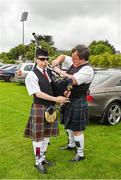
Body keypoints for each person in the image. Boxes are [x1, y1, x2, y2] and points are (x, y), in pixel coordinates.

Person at [24, 48, 69, 174]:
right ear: (36, 60)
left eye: (46, 59)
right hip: (39, 107)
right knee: (38, 138)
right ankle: (38, 161)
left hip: (51, 108)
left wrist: (62, 90)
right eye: (41, 59)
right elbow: (37, 94)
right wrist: (56, 98)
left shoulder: (48, 72)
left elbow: (53, 86)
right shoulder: (31, 75)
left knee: (47, 137)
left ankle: (42, 158)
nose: (44, 62)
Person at [52, 45, 94, 162]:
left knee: (76, 129)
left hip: (78, 101)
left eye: (75, 58)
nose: (73, 60)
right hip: (68, 100)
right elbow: (63, 56)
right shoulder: (74, 61)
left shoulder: (87, 70)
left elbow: (73, 80)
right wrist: (57, 60)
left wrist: (58, 70)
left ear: (83, 59)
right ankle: (71, 145)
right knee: (68, 124)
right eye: (73, 57)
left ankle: (80, 154)